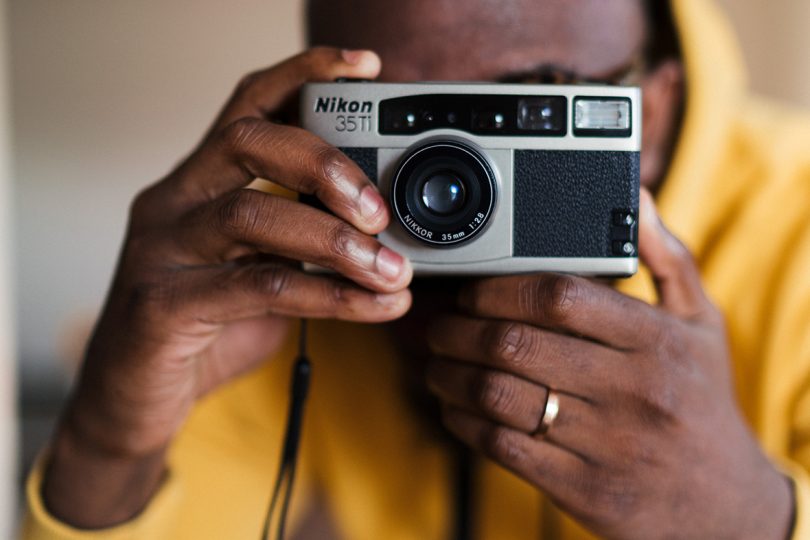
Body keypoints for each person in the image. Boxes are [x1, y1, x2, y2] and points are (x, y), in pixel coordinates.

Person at [21, 0, 810, 538]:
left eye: (527, 106)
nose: (443, 177)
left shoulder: (796, 225)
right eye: (400, 112)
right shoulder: (270, 267)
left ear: (655, 107)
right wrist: (108, 445)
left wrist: (753, 516)